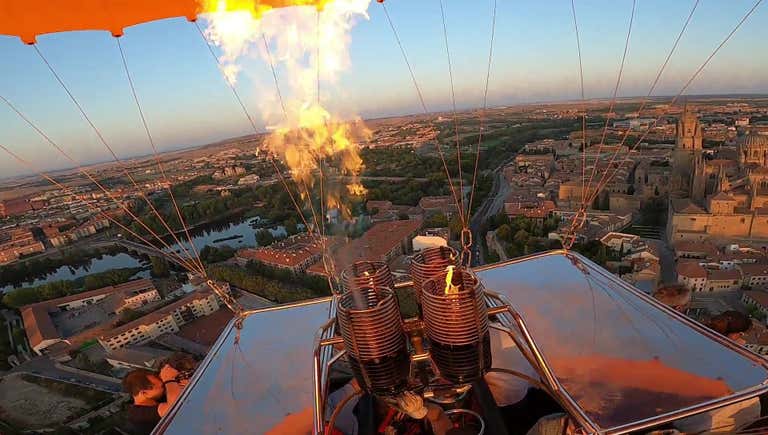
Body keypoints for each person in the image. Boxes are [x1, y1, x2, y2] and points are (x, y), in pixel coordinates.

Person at [123, 364, 185, 434]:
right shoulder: (138, 415)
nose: (165, 387)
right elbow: (175, 408)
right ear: (144, 393)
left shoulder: (155, 398)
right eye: (162, 386)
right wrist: (169, 380)